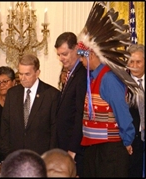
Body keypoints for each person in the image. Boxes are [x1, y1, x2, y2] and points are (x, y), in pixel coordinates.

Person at [76, 2, 141, 177]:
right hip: (94, 148)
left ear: (91, 54)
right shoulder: (94, 78)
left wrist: (127, 140)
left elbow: (122, 112)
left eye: (82, 57)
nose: (80, 62)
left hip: (110, 151)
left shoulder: (109, 79)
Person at [1, 54, 60, 156]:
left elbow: (54, 130)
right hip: (16, 155)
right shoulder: (12, 93)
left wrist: (51, 156)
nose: (22, 78)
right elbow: (5, 125)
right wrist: (7, 152)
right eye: (20, 74)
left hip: (41, 156)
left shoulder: (51, 95)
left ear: (37, 73)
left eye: (27, 74)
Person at [54, 32, 87, 177]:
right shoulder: (71, 73)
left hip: (75, 150)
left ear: (75, 49)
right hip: (65, 145)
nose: (61, 58)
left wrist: (72, 150)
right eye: (59, 55)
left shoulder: (82, 74)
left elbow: (80, 114)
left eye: (65, 54)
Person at [127, 44, 145, 178]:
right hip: (132, 140)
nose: (134, 65)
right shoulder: (122, 83)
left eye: (138, 62)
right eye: (131, 62)